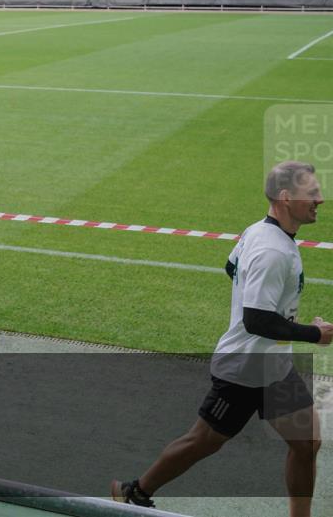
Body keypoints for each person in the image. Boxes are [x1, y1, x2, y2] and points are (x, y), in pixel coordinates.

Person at [112, 161, 330, 516]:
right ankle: (133, 491)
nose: (320, 199)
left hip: (273, 365)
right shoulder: (272, 250)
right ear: (286, 198)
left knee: (307, 443)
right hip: (245, 369)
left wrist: (283, 314)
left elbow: (233, 268)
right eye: (313, 193)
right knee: (203, 442)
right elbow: (256, 318)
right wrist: (313, 334)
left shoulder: (260, 231)